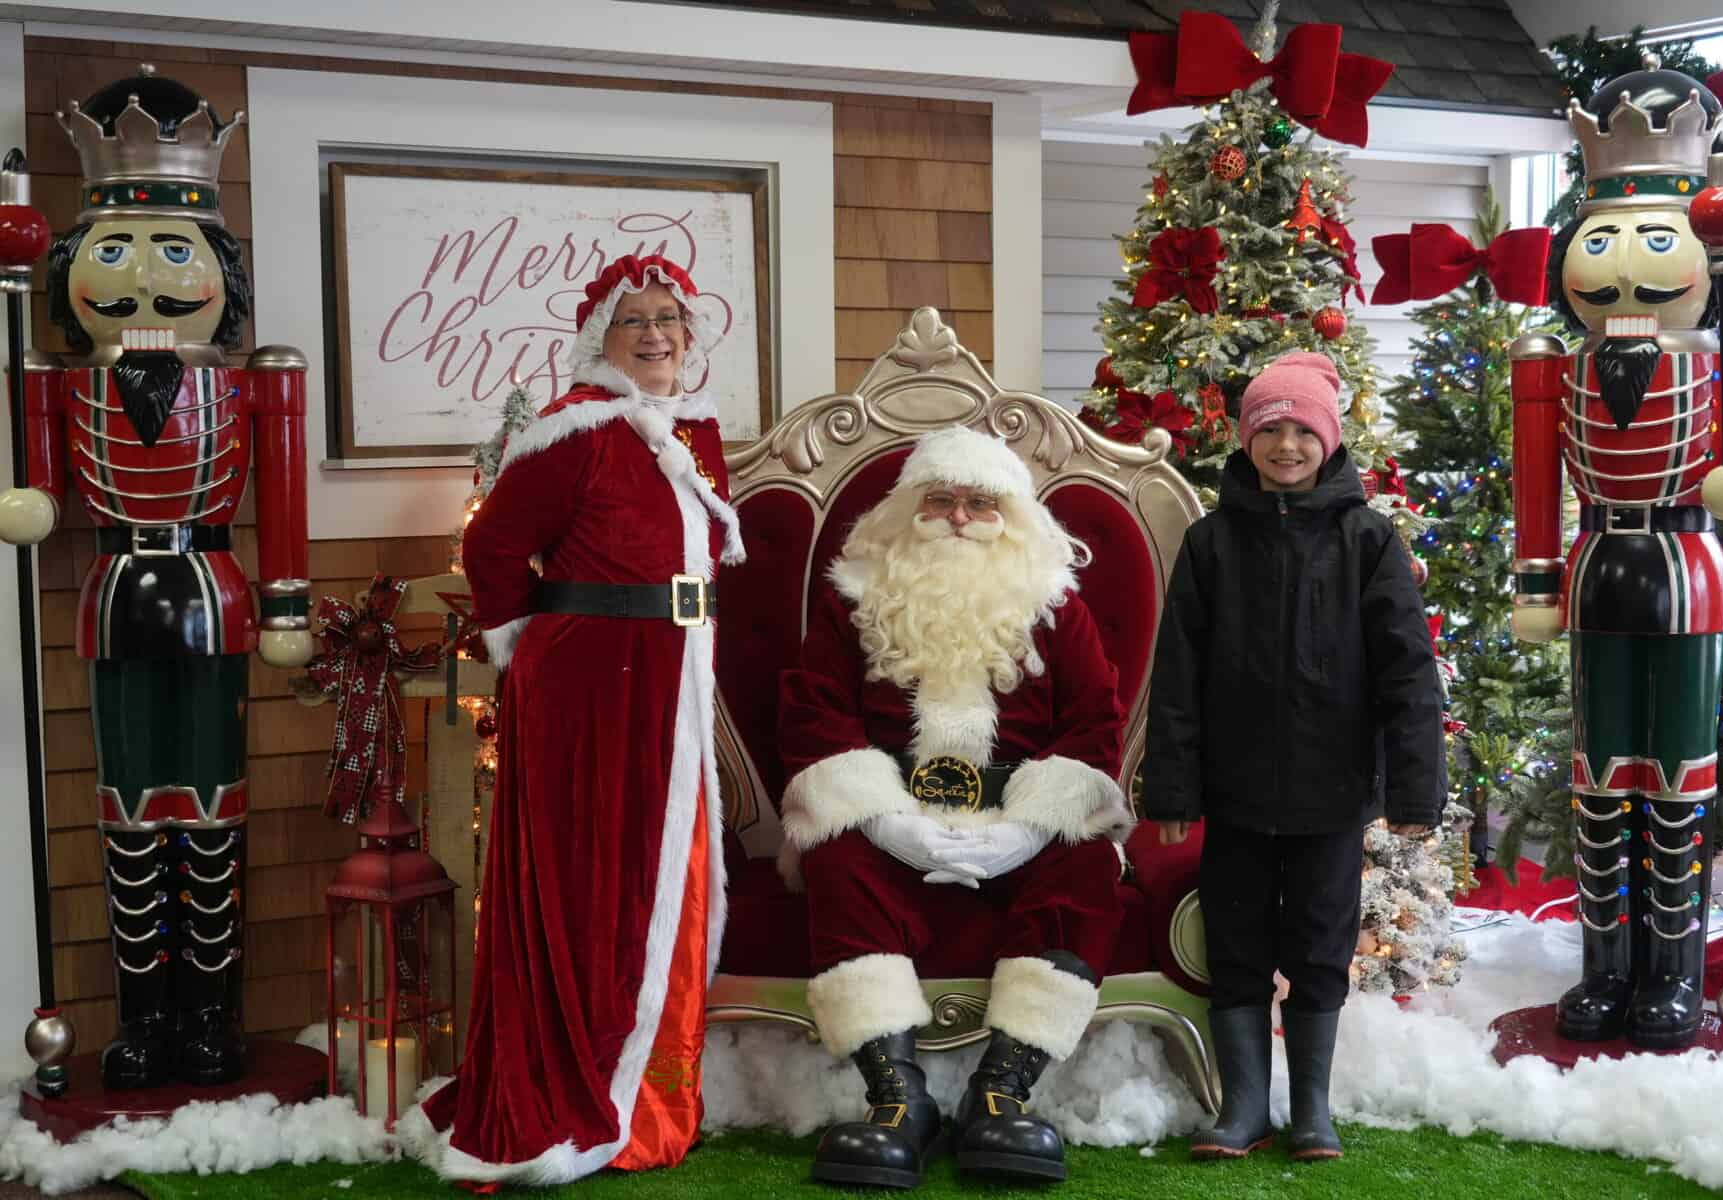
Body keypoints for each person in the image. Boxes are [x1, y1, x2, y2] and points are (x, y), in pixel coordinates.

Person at [0, 65, 311, 1090]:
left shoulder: (256, 379)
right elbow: (43, 490)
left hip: (214, 597)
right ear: (71, 269)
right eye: (115, 249)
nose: (143, 276)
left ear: (220, 269)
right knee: (130, 807)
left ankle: (211, 1014)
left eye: (175, 250)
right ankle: (144, 1018)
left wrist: (287, 601)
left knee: (215, 805)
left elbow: (284, 499)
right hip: (116, 601)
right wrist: (31, 503)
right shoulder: (57, 381)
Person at [403, 254, 745, 1186]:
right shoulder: (574, 429)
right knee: (597, 879)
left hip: (674, 682)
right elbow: (493, 545)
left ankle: (651, 1092)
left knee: (663, 875)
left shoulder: (694, 431)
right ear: (602, 338)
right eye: (634, 320)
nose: (655, 334)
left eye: (669, 318)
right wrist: (533, 649)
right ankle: (585, 1089)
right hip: (589, 689)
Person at [1510, 65, 1723, 1049]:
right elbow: (1536, 481)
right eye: (1603, 240)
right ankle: (1604, 968)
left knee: (1677, 774)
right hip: (1597, 570)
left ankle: (1669, 974)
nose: (1624, 268)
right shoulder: (1554, 364)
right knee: (1599, 774)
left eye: (1655, 239)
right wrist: (1536, 579)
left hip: (1688, 577)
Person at [779, 426, 1132, 1189]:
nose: (961, 518)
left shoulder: (1055, 604)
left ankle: (1000, 1093)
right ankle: (897, 1098)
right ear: (909, 510)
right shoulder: (854, 598)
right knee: (837, 855)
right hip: (892, 822)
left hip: (1019, 825)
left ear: (1013, 517)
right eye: (941, 501)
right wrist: (887, 822)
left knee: (1085, 862)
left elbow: (1094, 723)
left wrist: (1028, 829)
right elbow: (816, 713)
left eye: (981, 503)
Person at [1143, 351, 1445, 1162]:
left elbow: (1408, 671)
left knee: (1318, 947)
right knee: (1237, 946)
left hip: (1331, 794)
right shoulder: (1210, 544)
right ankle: (1243, 1106)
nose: (1286, 446)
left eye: (1302, 432)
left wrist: (1415, 791)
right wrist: (1172, 790)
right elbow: (1177, 676)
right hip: (1235, 791)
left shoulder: (1368, 540)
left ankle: (1311, 1108)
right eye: (1270, 430)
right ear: (1246, 440)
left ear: (1329, 440)